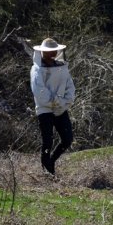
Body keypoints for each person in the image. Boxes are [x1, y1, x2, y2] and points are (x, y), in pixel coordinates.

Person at [30, 37, 75, 175]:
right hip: (44, 109)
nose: (52, 53)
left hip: (61, 109)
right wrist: (55, 101)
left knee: (67, 139)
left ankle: (51, 161)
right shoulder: (36, 69)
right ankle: (47, 170)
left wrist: (64, 102)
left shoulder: (62, 68)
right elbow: (39, 91)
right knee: (47, 141)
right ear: (41, 52)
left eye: (54, 51)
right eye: (48, 51)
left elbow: (70, 88)